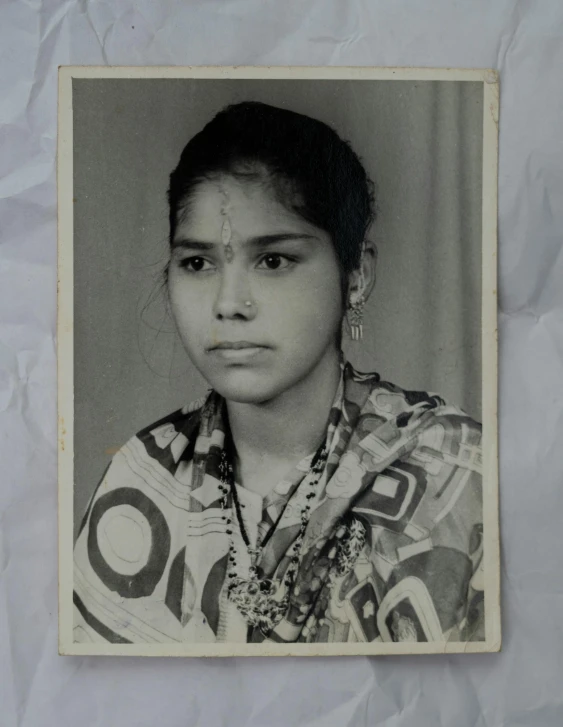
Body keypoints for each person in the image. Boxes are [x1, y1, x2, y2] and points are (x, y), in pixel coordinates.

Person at [73, 101, 484, 645]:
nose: (229, 304)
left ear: (356, 275)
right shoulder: (144, 479)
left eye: (272, 261)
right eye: (197, 263)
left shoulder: (451, 475)